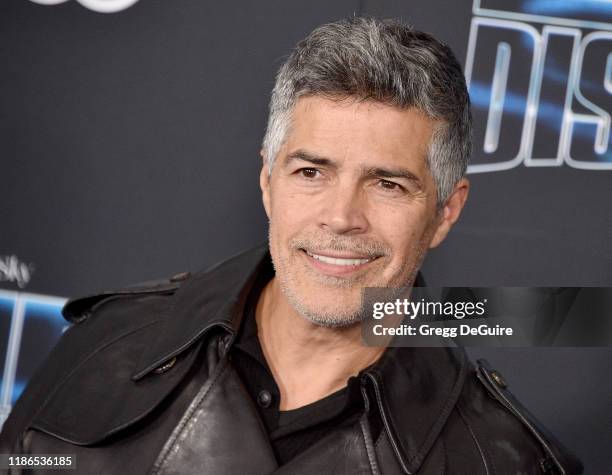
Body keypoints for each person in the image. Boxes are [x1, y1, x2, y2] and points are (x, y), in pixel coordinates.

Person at [0, 17, 582, 474]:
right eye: (311, 172)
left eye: (388, 184)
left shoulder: (507, 460)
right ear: (267, 180)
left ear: (444, 213)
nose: (341, 217)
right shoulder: (108, 346)